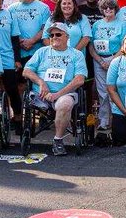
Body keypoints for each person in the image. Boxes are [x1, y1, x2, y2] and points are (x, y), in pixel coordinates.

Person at [23, 21, 88, 155]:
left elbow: (79, 80)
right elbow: (26, 71)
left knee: (65, 103)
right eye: (51, 35)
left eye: (58, 34)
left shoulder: (76, 54)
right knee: (34, 98)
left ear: (67, 36)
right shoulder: (42, 52)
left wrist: (57, 94)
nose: (54, 37)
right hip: (40, 94)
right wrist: (41, 83)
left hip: (64, 94)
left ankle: (58, 140)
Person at [90, 0, 126, 139]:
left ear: (115, 9)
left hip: (116, 59)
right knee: (102, 92)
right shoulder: (96, 25)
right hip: (99, 60)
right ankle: (104, 121)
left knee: (115, 90)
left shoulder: (122, 24)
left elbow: (124, 45)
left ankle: (118, 119)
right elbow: (91, 46)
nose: (108, 10)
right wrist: (100, 60)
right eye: (105, 8)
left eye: (111, 8)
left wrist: (112, 60)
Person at [11, 0, 51, 84]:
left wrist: (32, 41)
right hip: (19, 54)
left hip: (37, 52)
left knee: (37, 82)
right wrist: (20, 41)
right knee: (19, 83)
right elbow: (10, 29)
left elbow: (45, 28)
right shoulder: (11, 8)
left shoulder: (43, 8)